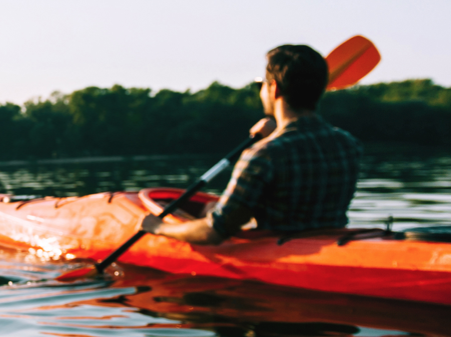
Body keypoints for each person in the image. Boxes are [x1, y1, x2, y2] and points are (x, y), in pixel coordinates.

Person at [140, 44, 361, 245]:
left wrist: (160, 228)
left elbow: (215, 231)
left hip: (279, 250)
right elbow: (302, 152)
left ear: (274, 89)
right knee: (210, 207)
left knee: (210, 213)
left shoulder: (262, 154)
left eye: (261, 84)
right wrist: (274, 135)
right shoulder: (347, 143)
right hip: (332, 239)